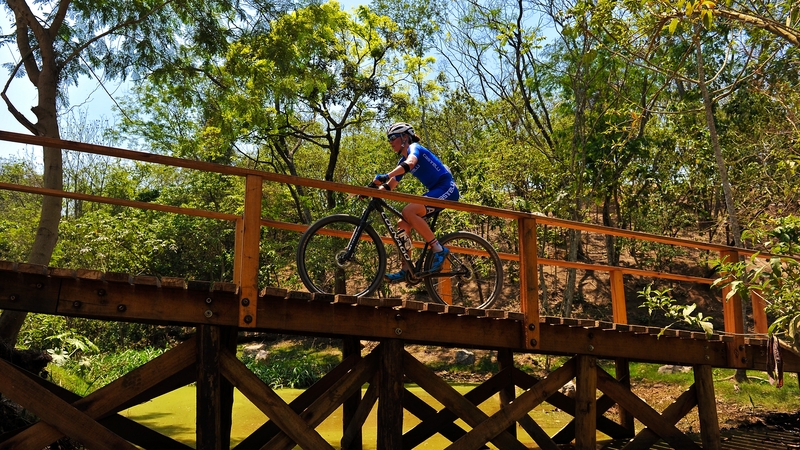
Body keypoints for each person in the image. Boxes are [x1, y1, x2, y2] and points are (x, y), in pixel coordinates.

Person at [373, 122, 460, 283]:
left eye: (393, 137)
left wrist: (386, 174)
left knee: (409, 211)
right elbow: (390, 185)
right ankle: (406, 269)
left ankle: (438, 249)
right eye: (388, 139)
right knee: (402, 224)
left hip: (447, 189)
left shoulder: (415, 148)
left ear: (405, 137)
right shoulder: (402, 161)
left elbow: (410, 163)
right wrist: (371, 190)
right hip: (435, 191)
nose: (390, 142)